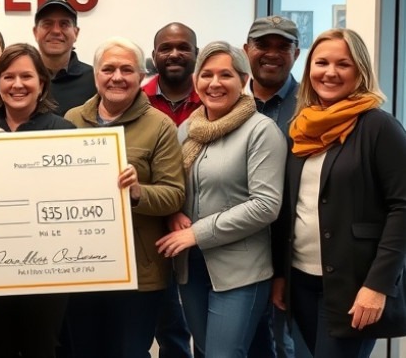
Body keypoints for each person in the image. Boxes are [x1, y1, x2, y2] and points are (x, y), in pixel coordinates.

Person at [271, 29, 406, 357]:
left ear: (359, 71)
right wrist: (281, 274)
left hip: (354, 284)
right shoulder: (301, 126)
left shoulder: (379, 127)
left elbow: (402, 207)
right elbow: (292, 205)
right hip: (301, 280)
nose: (330, 72)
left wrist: (377, 286)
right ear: (309, 69)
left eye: (342, 64)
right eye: (322, 63)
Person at [156, 42, 286, 357]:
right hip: (192, 268)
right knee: (208, 349)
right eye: (207, 74)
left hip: (241, 269)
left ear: (243, 80)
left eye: (225, 75)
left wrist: (195, 233)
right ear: (196, 80)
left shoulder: (260, 130)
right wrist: (174, 213)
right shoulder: (188, 129)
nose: (214, 83)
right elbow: (176, 185)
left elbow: (266, 205)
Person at [63, 37, 185, 357]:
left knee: (129, 352)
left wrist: (137, 192)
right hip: (82, 267)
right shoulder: (71, 120)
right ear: (96, 75)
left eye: (127, 69)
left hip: (139, 273)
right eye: (108, 69)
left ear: (141, 77)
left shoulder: (160, 126)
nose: (117, 77)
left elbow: (174, 195)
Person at [0, 43, 74, 358]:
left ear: (42, 83)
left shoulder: (65, 131)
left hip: (47, 269)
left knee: (42, 347)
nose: (17, 85)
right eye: (8, 77)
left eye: (27, 76)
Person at [243, 15, 307, 358]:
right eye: (262, 45)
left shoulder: (313, 106)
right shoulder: (227, 106)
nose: (272, 54)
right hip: (240, 251)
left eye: (283, 46)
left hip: (297, 255)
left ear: (296, 54)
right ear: (246, 50)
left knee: (291, 347)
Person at [144, 22, 200, 358]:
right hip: (154, 233)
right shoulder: (135, 100)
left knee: (201, 331)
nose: (175, 53)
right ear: (155, 56)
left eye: (183, 47)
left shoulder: (215, 98)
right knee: (168, 327)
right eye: (166, 48)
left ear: (196, 53)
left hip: (203, 231)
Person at [32, 0, 95, 116]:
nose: (56, 31)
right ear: (35, 32)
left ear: (76, 33)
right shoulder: (21, 80)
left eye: (64, 24)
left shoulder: (95, 80)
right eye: (47, 24)